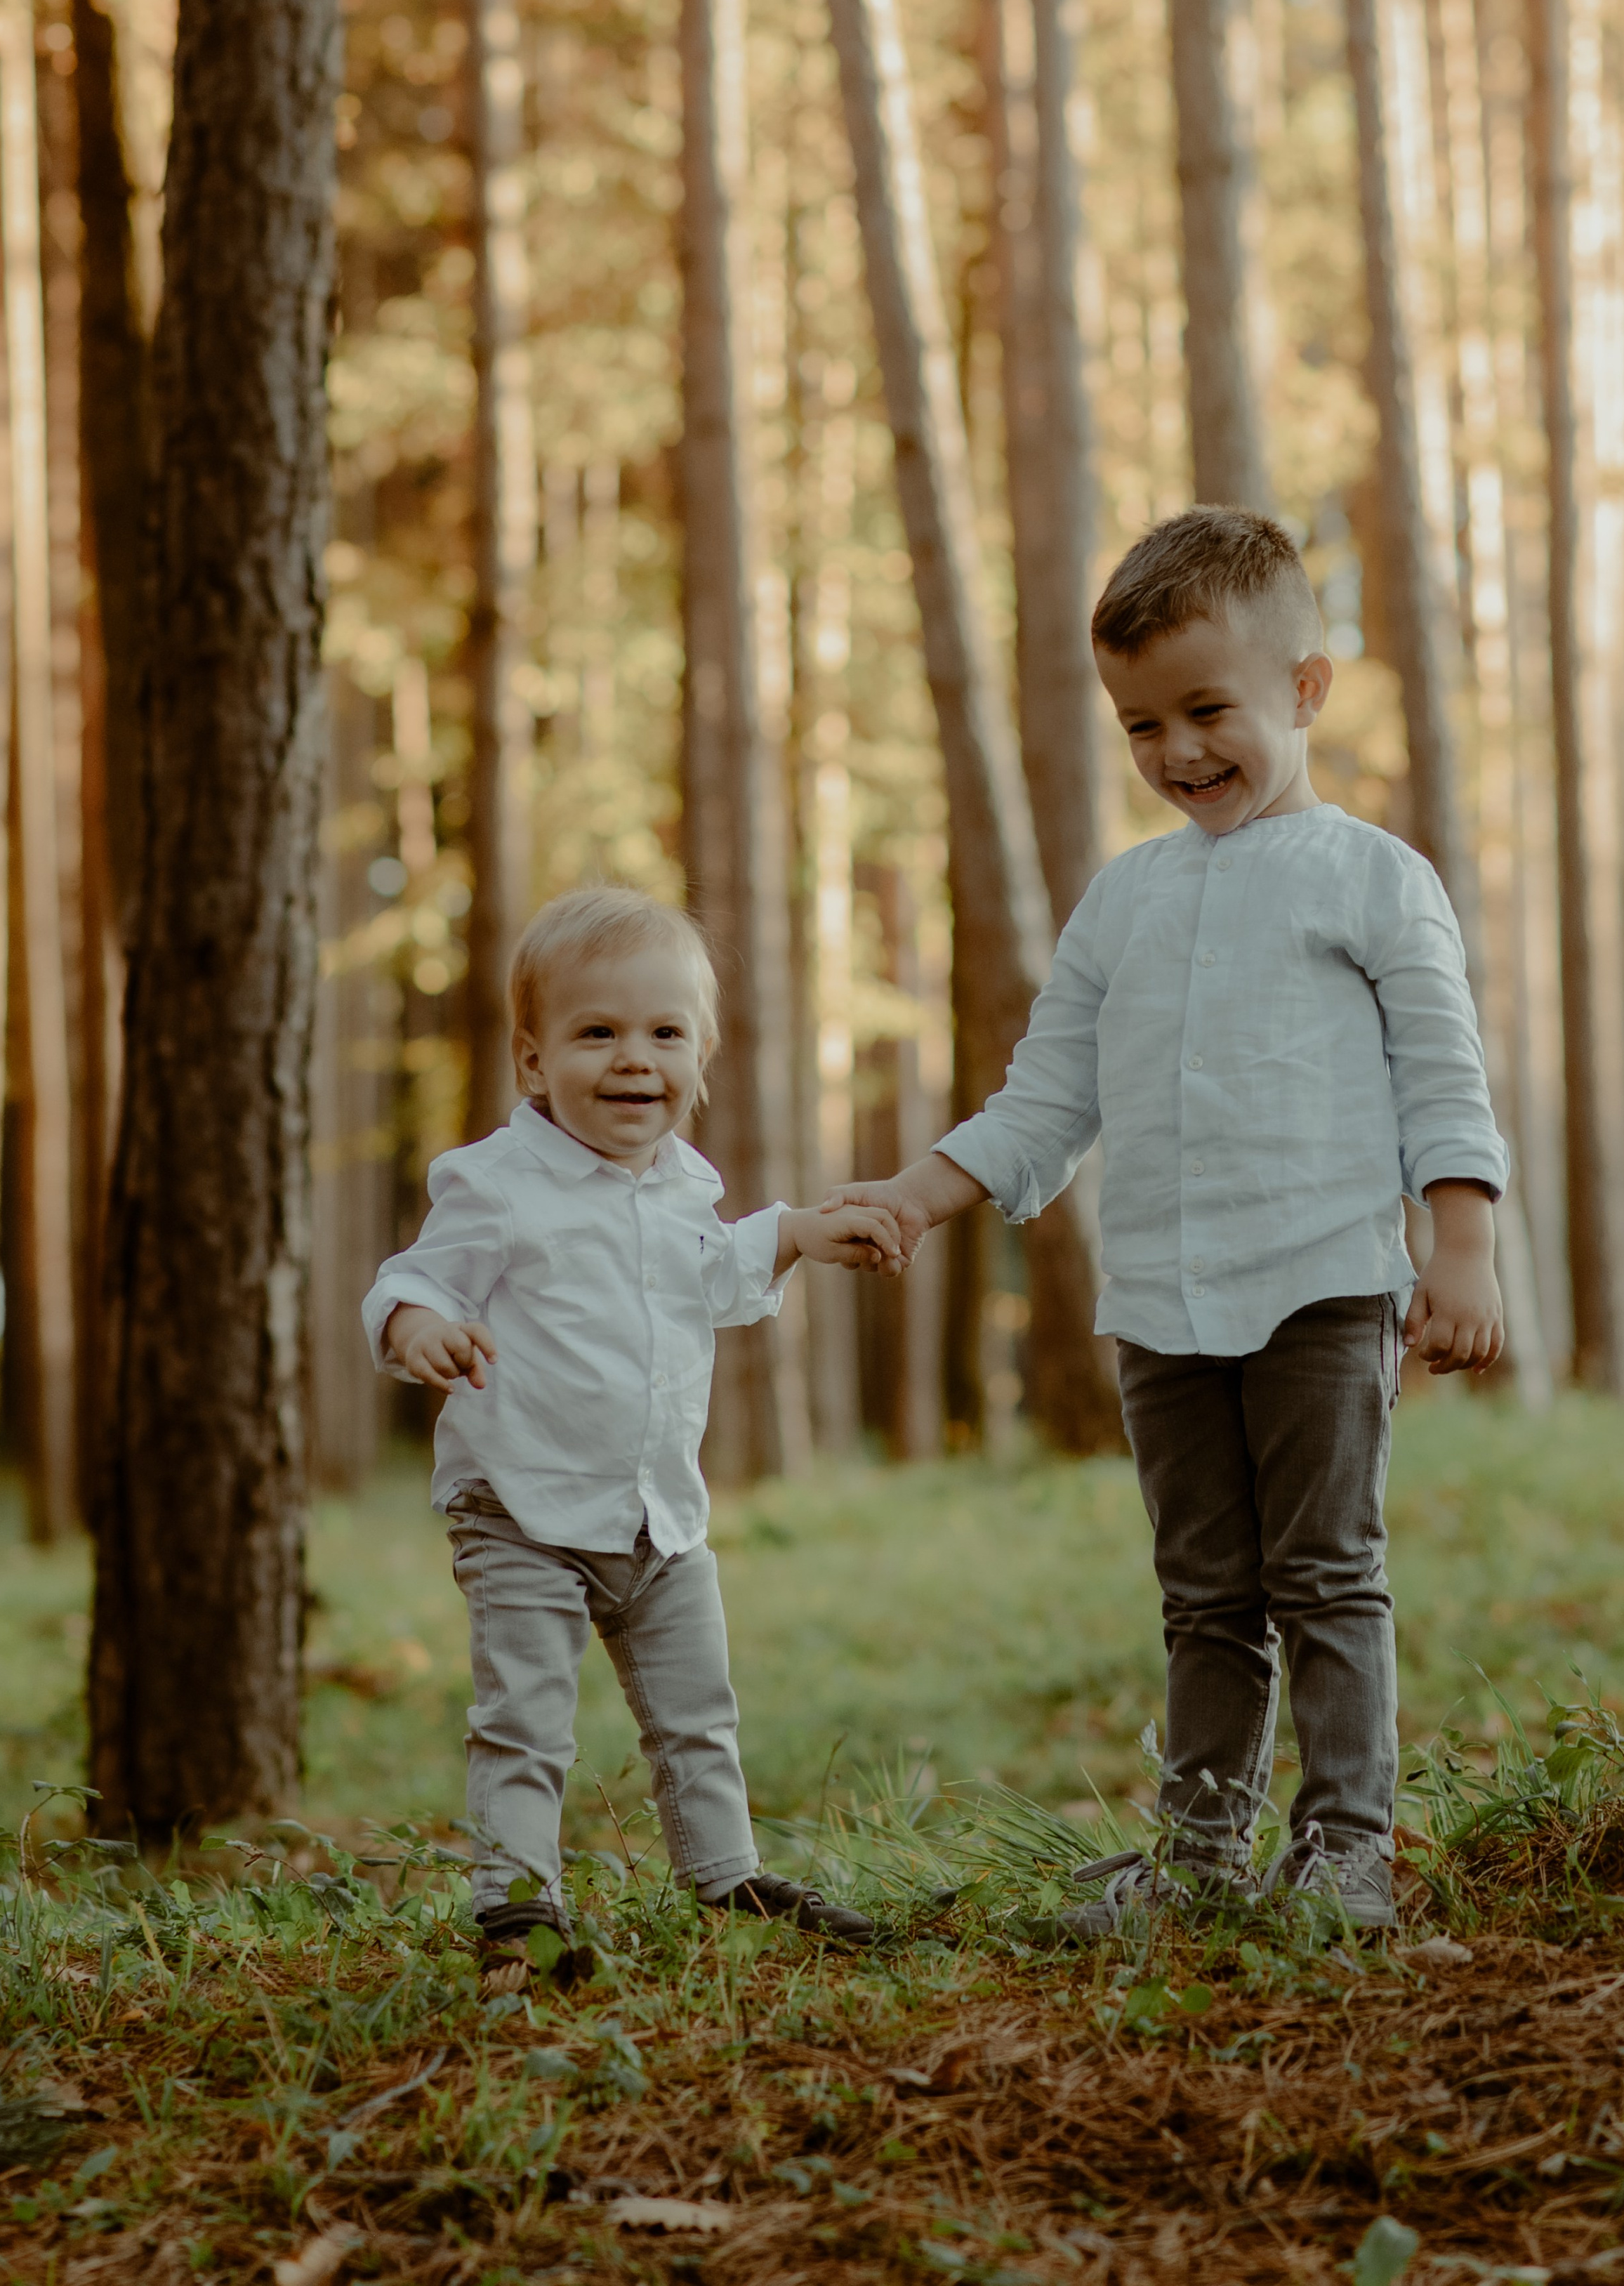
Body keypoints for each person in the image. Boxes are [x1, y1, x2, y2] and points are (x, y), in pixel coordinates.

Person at [825, 508, 1507, 1933]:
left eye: (1208, 710)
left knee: (1324, 1572)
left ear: (1303, 690)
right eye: (1141, 725)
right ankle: (1198, 1850)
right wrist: (914, 1193)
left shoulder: (1372, 877)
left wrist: (1458, 1244)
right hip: (1157, 1305)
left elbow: (1441, 1074)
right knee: (1203, 1594)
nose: (1177, 752)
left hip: (1321, 1282)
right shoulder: (1120, 902)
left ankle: (1342, 1846)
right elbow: (1040, 1099)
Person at [363, 884, 905, 1963]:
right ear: (533, 1062)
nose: (632, 1059)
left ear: (699, 1058)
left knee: (698, 1709)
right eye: (596, 1032)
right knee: (526, 1713)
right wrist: (421, 1324)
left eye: (665, 1034)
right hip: (521, 1506)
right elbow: (413, 1277)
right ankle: (516, 1899)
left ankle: (727, 1873)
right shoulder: (498, 1183)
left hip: (658, 1515)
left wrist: (796, 1229)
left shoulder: (680, 1185)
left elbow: (715, 1275)